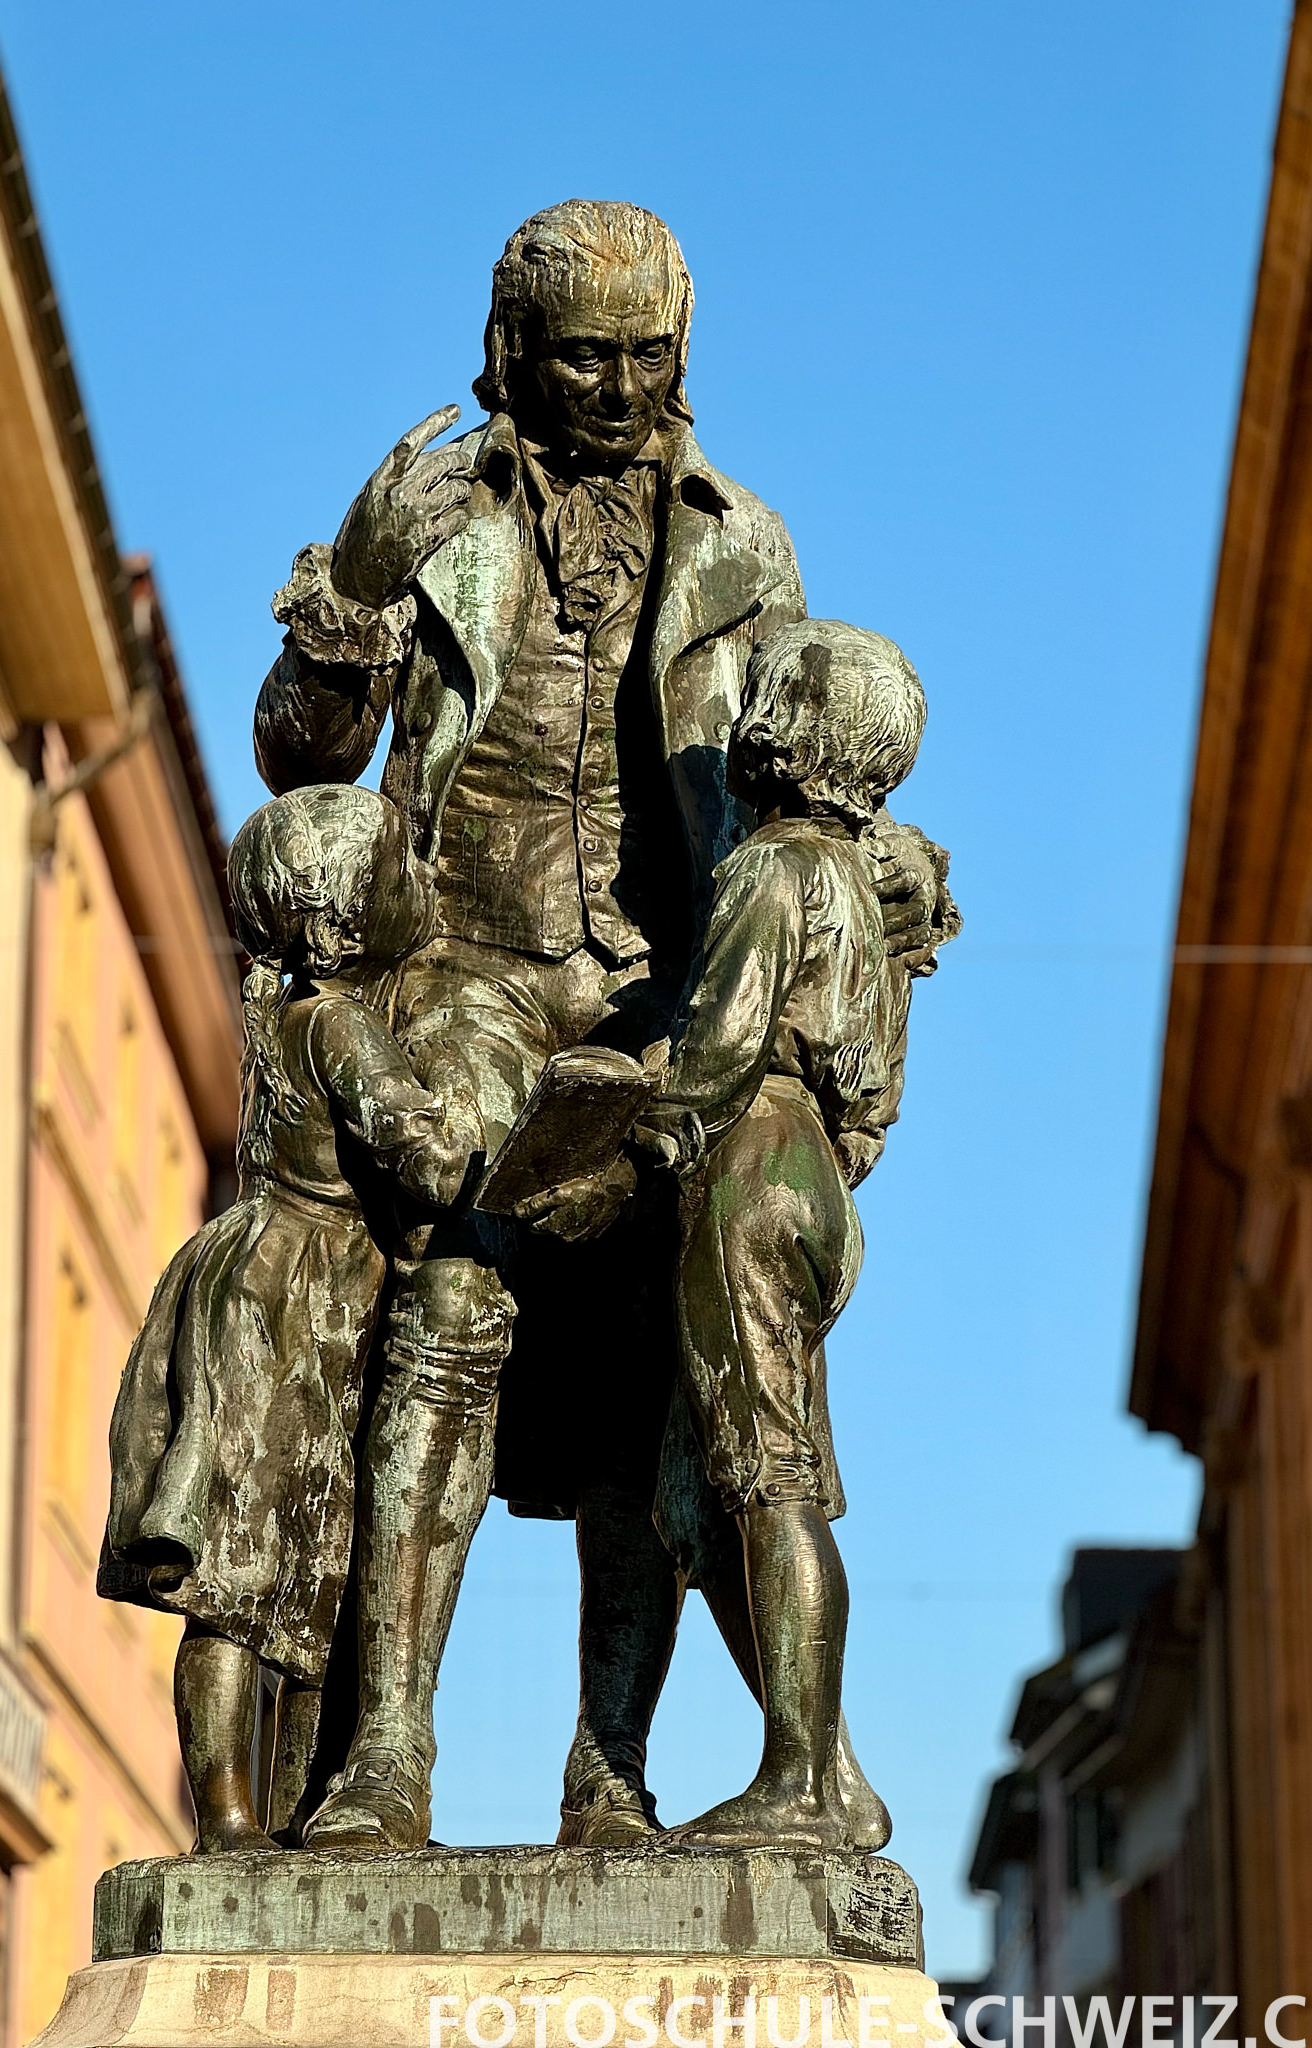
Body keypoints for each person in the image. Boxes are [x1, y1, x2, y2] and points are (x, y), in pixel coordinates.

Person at [256, 199, 946, 1851]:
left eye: (653, 356)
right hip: (473, 973)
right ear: (509, 353)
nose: (624, 387)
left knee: (655, 1367)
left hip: (662, 983)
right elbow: (299, 753)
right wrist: (353, 588)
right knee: (459, 1304)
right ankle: (384, 1758)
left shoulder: (744, 541)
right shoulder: (430, 517)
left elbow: (808, 764)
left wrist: (882, 890)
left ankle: (611, 1775)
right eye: (586, 357)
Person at [97, 785, 483, 1854]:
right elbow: (424, 1150)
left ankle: (245, 1815)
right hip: (292, 1297)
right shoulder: (342, 1021)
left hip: (248, 1275)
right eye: (402, 871)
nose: (421, 884)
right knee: (256, 1569)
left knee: (266, 1570)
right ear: (339, 924)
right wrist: (483, 1133)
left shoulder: (275, 1018)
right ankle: (232, 1818)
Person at [640, 619, 956, 1850]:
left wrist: (620, 1109)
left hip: (749, 1167)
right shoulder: (872, 906)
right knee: (706, 1496)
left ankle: (801, 1782)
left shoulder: (773, 869)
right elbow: (873, 1101)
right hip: (816, 1174)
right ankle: (833, 1764)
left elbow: (714, 1053)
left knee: (766, 1481)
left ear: (791, 728)